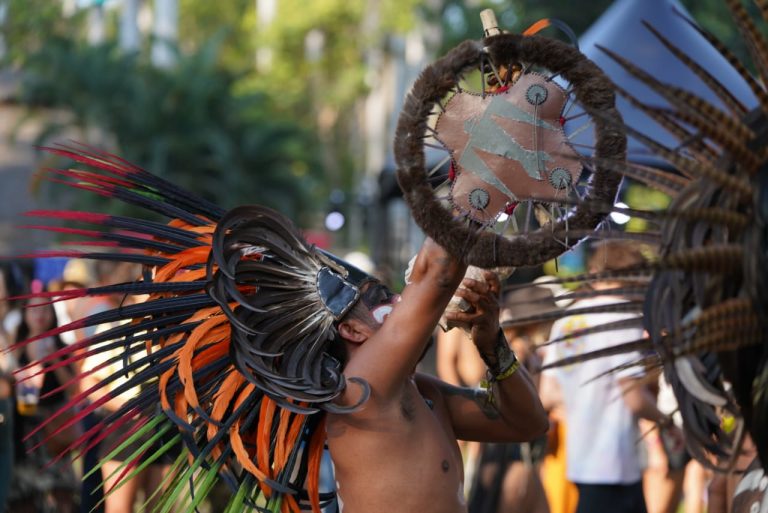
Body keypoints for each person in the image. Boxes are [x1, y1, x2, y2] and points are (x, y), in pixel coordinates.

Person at [325, 237, 548, 513]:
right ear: (352, 330)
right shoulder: (360, 390)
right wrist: (470, 214)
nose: (399, 302)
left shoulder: (426, 392)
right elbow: (437, 271)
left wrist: (493, 344)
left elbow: (529, 424)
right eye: (382, 299)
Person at [539, 241, 684, 513]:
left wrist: (587, 403)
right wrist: (666, 423)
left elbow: (548, 395)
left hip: (580, 460)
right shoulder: (622, 318)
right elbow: (633, 396)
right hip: (616, 462)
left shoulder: (566, 322)